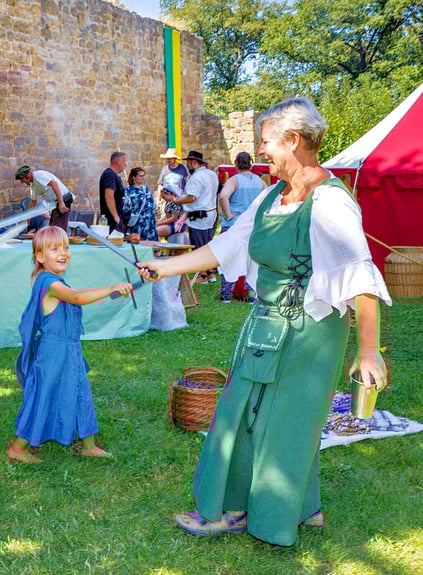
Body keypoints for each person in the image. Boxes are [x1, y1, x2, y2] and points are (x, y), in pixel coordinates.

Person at [137, 98, 391, 547]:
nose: (260, 150)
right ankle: (298, 507)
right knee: (244, 412)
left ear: (293, 141)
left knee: (287, 421)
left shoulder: (331, 201)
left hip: (311, 333)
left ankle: (241, 511)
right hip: (264, 324)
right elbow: (228, 244)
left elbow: (360, 277)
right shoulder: (273, 195)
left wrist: (368, 353)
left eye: (266, 141)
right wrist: (164, 266)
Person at [7, 226, 134, 463]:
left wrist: (114, 291)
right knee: (42, 396)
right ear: (40, 256)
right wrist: (110, 288)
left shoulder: (56, 281)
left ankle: (88, 445)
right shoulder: (49, 283)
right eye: (54, 249)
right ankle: (17, 449)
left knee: (80, 392)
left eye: (65, 247)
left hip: (69, 350)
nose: (63, 253)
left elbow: (77, 294)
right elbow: (76, 297)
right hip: (53, 353)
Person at [216, 151, 265, 302]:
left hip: (235, 224)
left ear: (236, 163)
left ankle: (226, 294)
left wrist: (228, 213)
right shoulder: (258, 180)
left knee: (229, 258)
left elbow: (223, 196)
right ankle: (251, 295)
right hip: (252, 224)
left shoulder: (234, 180)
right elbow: (269, 195)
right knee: (251, 260)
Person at [170, 150, 218, 282]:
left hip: (199, 215)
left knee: (199, 246)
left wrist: (177, 201)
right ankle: (210, 273)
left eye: (189, 163)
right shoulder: (211, 174)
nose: (188, 166)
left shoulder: (197, 177)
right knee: (207, 244)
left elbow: (191, 197)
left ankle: (203, 275)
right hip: (211, 212)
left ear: (195, 163)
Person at [15, 165, 75, 231]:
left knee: (57, 229)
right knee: (52, 227)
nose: (22, 182)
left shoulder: (38, 175)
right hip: (56, 203)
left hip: (63, 199)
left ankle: (60, 237)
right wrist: (28, 217)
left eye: (21, 179)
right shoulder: (34, 186)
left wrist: (61, 203)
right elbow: (33, 202)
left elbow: (54, 184)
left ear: (27, 176)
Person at [121, 166, 158, 241]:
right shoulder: (128, 191)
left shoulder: (146, 189)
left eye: (143, 176)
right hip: (138, 221)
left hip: (149, 220)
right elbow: (126, 207)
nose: (142, 178)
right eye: (140, 176)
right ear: (134, 177)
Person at [99, 151, 127, 234]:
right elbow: (109, 196)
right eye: (124, 162)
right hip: (112, 221)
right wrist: (116, 216)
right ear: (118, 162)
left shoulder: (113, 175)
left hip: (117, 219)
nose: (126, 164)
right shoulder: (110, 175)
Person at [156, 175, 189, 243]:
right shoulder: (168, 203)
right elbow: (167, 216)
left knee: (155, 232)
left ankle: (158, 248)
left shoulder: (175, 202)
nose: (163, 198)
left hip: (176, 225)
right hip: (171, 224)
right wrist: (159, 221)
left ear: (170, 194)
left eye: (164, 196)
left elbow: (174, 218)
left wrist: (160, 223)